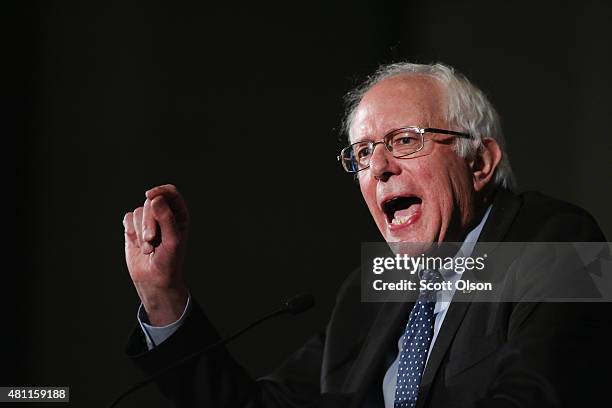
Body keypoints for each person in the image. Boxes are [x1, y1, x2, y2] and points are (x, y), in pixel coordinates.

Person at [122, 62, 609, 407]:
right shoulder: (371, 288)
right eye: (362, 153)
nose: (378, 167)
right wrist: (162, 294)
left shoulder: (561, 240)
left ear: (479, 162)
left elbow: (539, 395)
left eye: (405, 140)